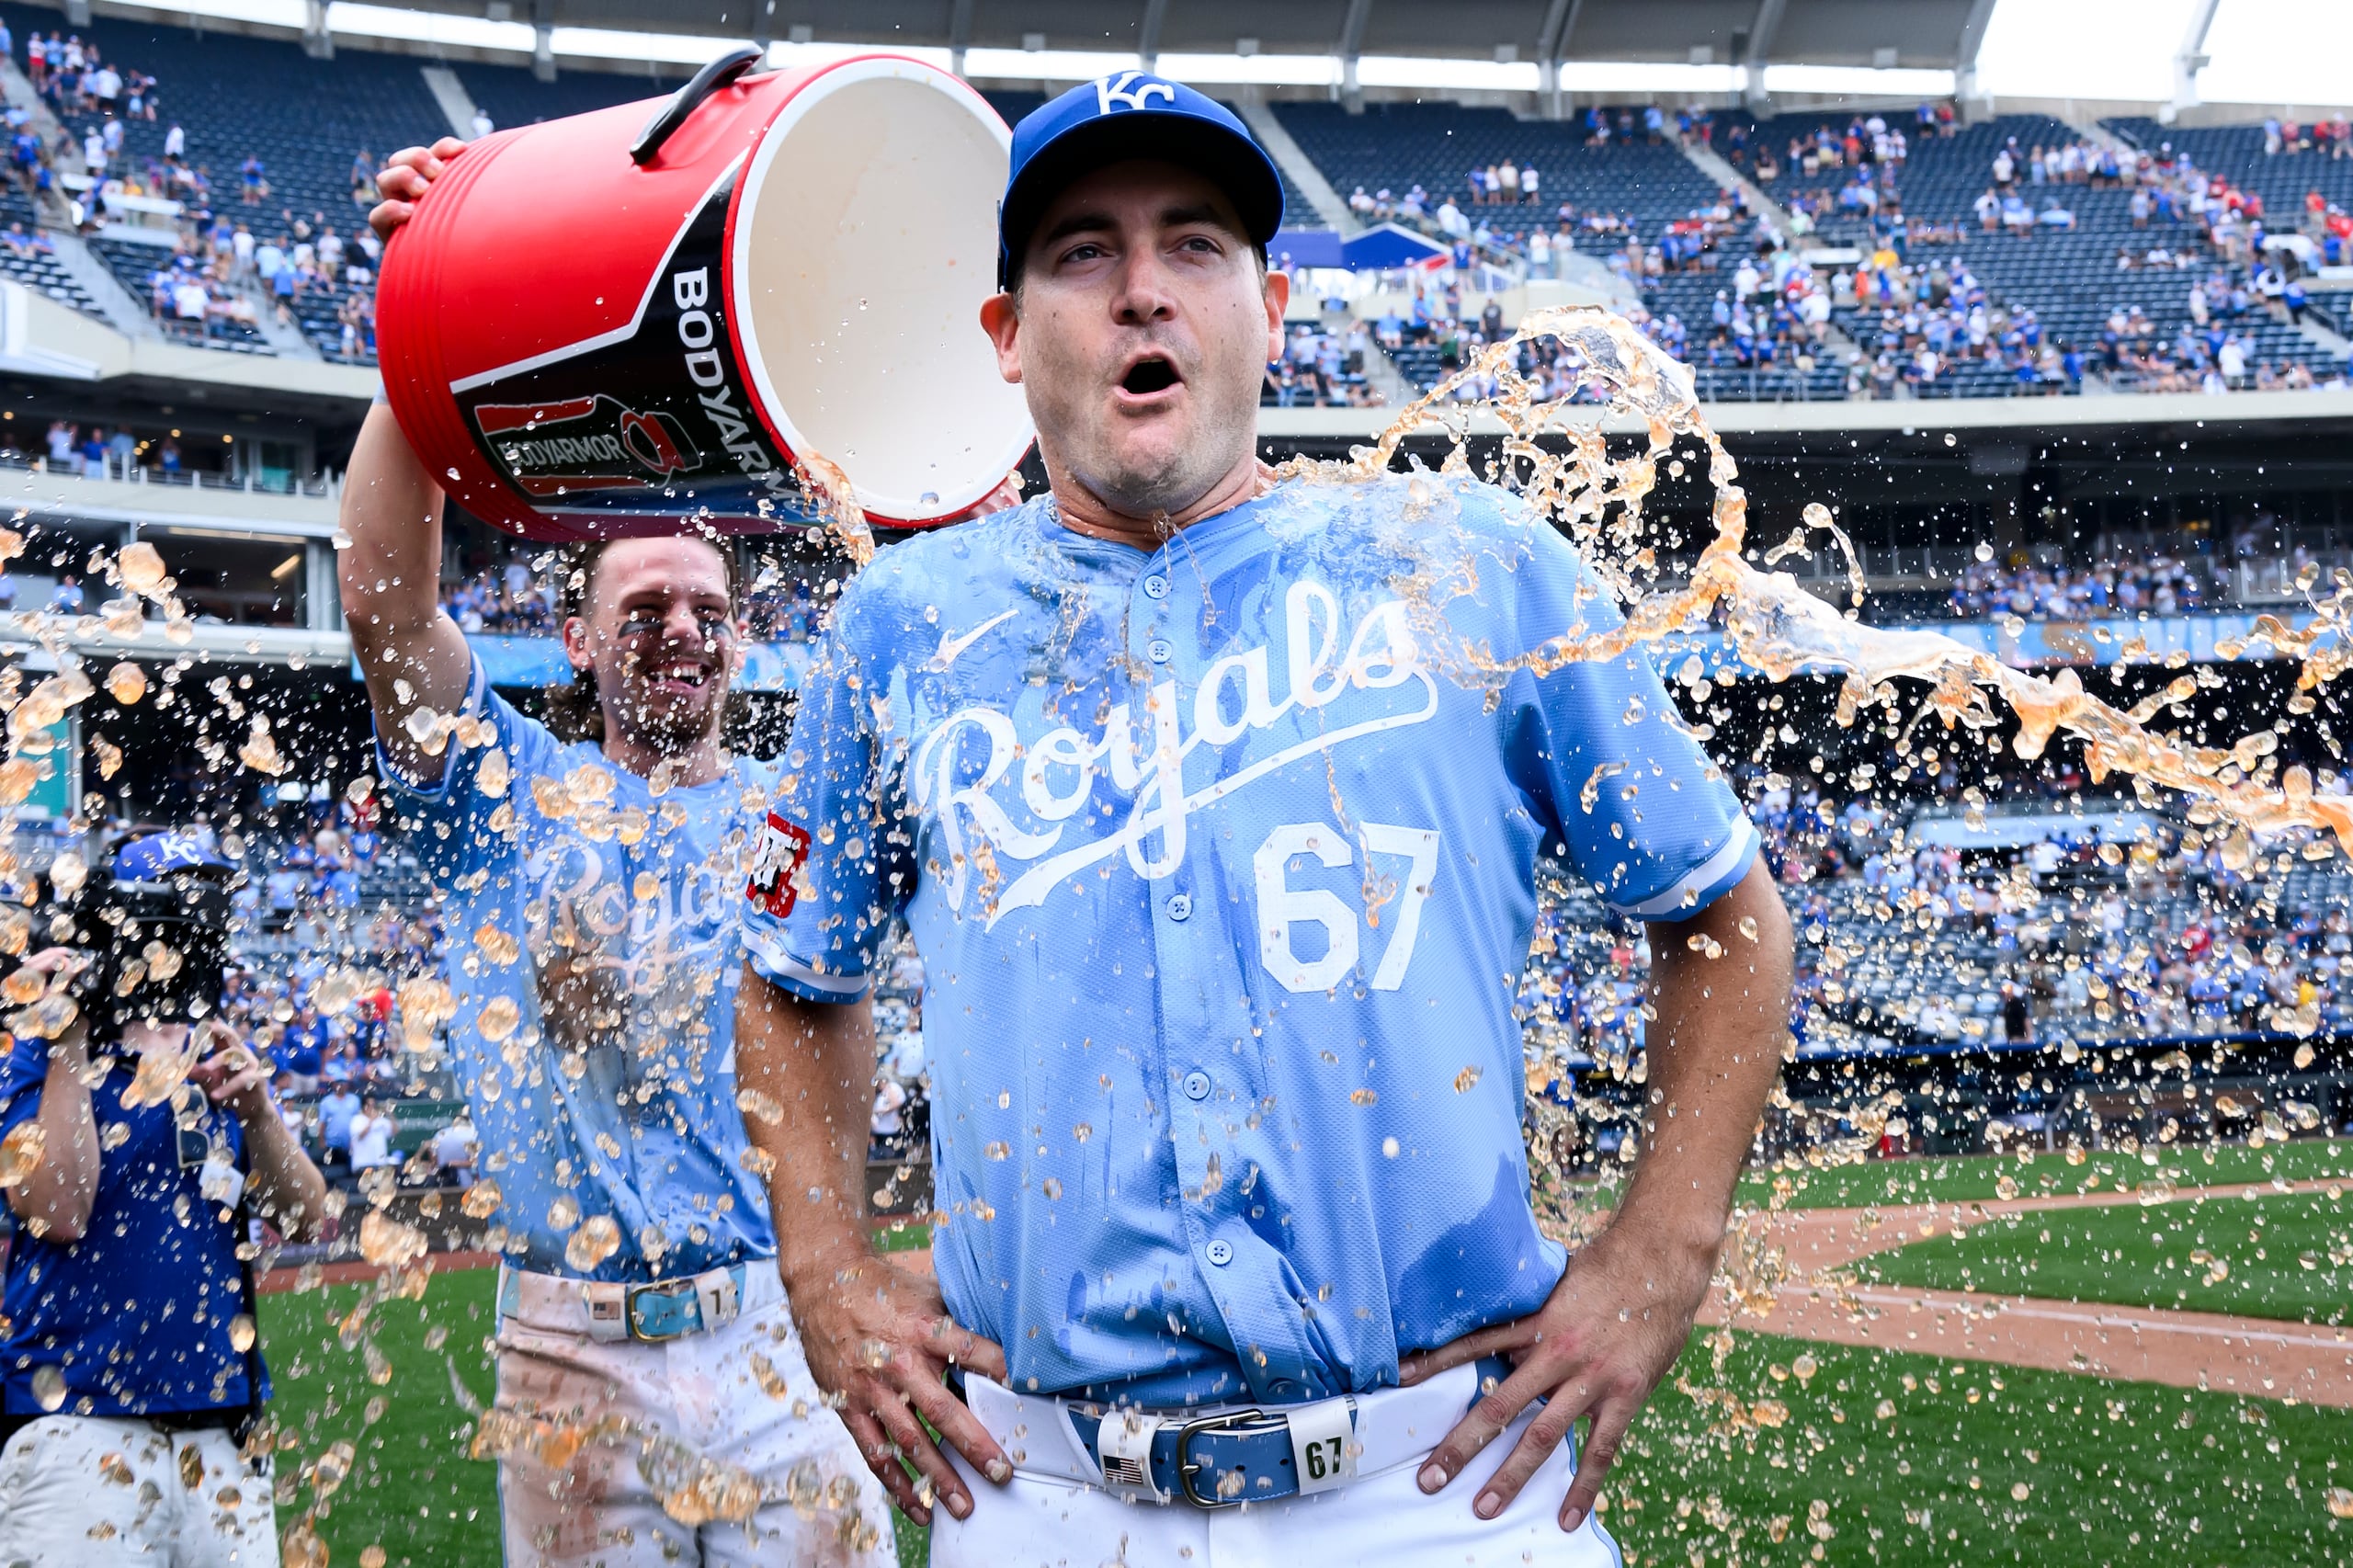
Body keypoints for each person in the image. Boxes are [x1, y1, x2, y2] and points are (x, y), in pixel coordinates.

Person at [730, 74, 1793, 1562]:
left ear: (1272, 306)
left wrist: (1659, 1254)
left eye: (1197, 244)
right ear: (1005, 333)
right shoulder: (905, 628)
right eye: (1083, 252)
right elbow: (790, 985)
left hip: (1444, 1488)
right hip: (1043, 1495)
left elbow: (1726, 919)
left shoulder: (1475, 567)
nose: (1143, 292)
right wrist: (825, 1266)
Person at [339, 133, 904, 1566]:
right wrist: (422, 318)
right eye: (639, 604)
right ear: (576, 640)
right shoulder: (502, 793)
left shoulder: (801, 806)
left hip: (780, 1324)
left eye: (705, 604)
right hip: (567, 1352)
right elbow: (383, 607)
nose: (676, 627)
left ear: (745, 638)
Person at [1, 832, 327, 1565]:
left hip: (222, 1435)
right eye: (178, 900)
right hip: (78, 1425)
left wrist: (260, 1114)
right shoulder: (39, 1042)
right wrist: (66, 1038)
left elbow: (308, 1216)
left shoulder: (212, 1043)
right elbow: (55, 1209)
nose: (196, 922)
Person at [347, 1094, 394, 1176]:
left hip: (379, 1164)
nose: (371, 1108)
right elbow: (361, 1136)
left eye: (373, 1105)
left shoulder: (381, 1120)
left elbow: (394, 1131)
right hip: (362, 1165)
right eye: (369, 1105)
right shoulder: (357, 1120)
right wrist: (372, 1120)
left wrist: (389, 1113)